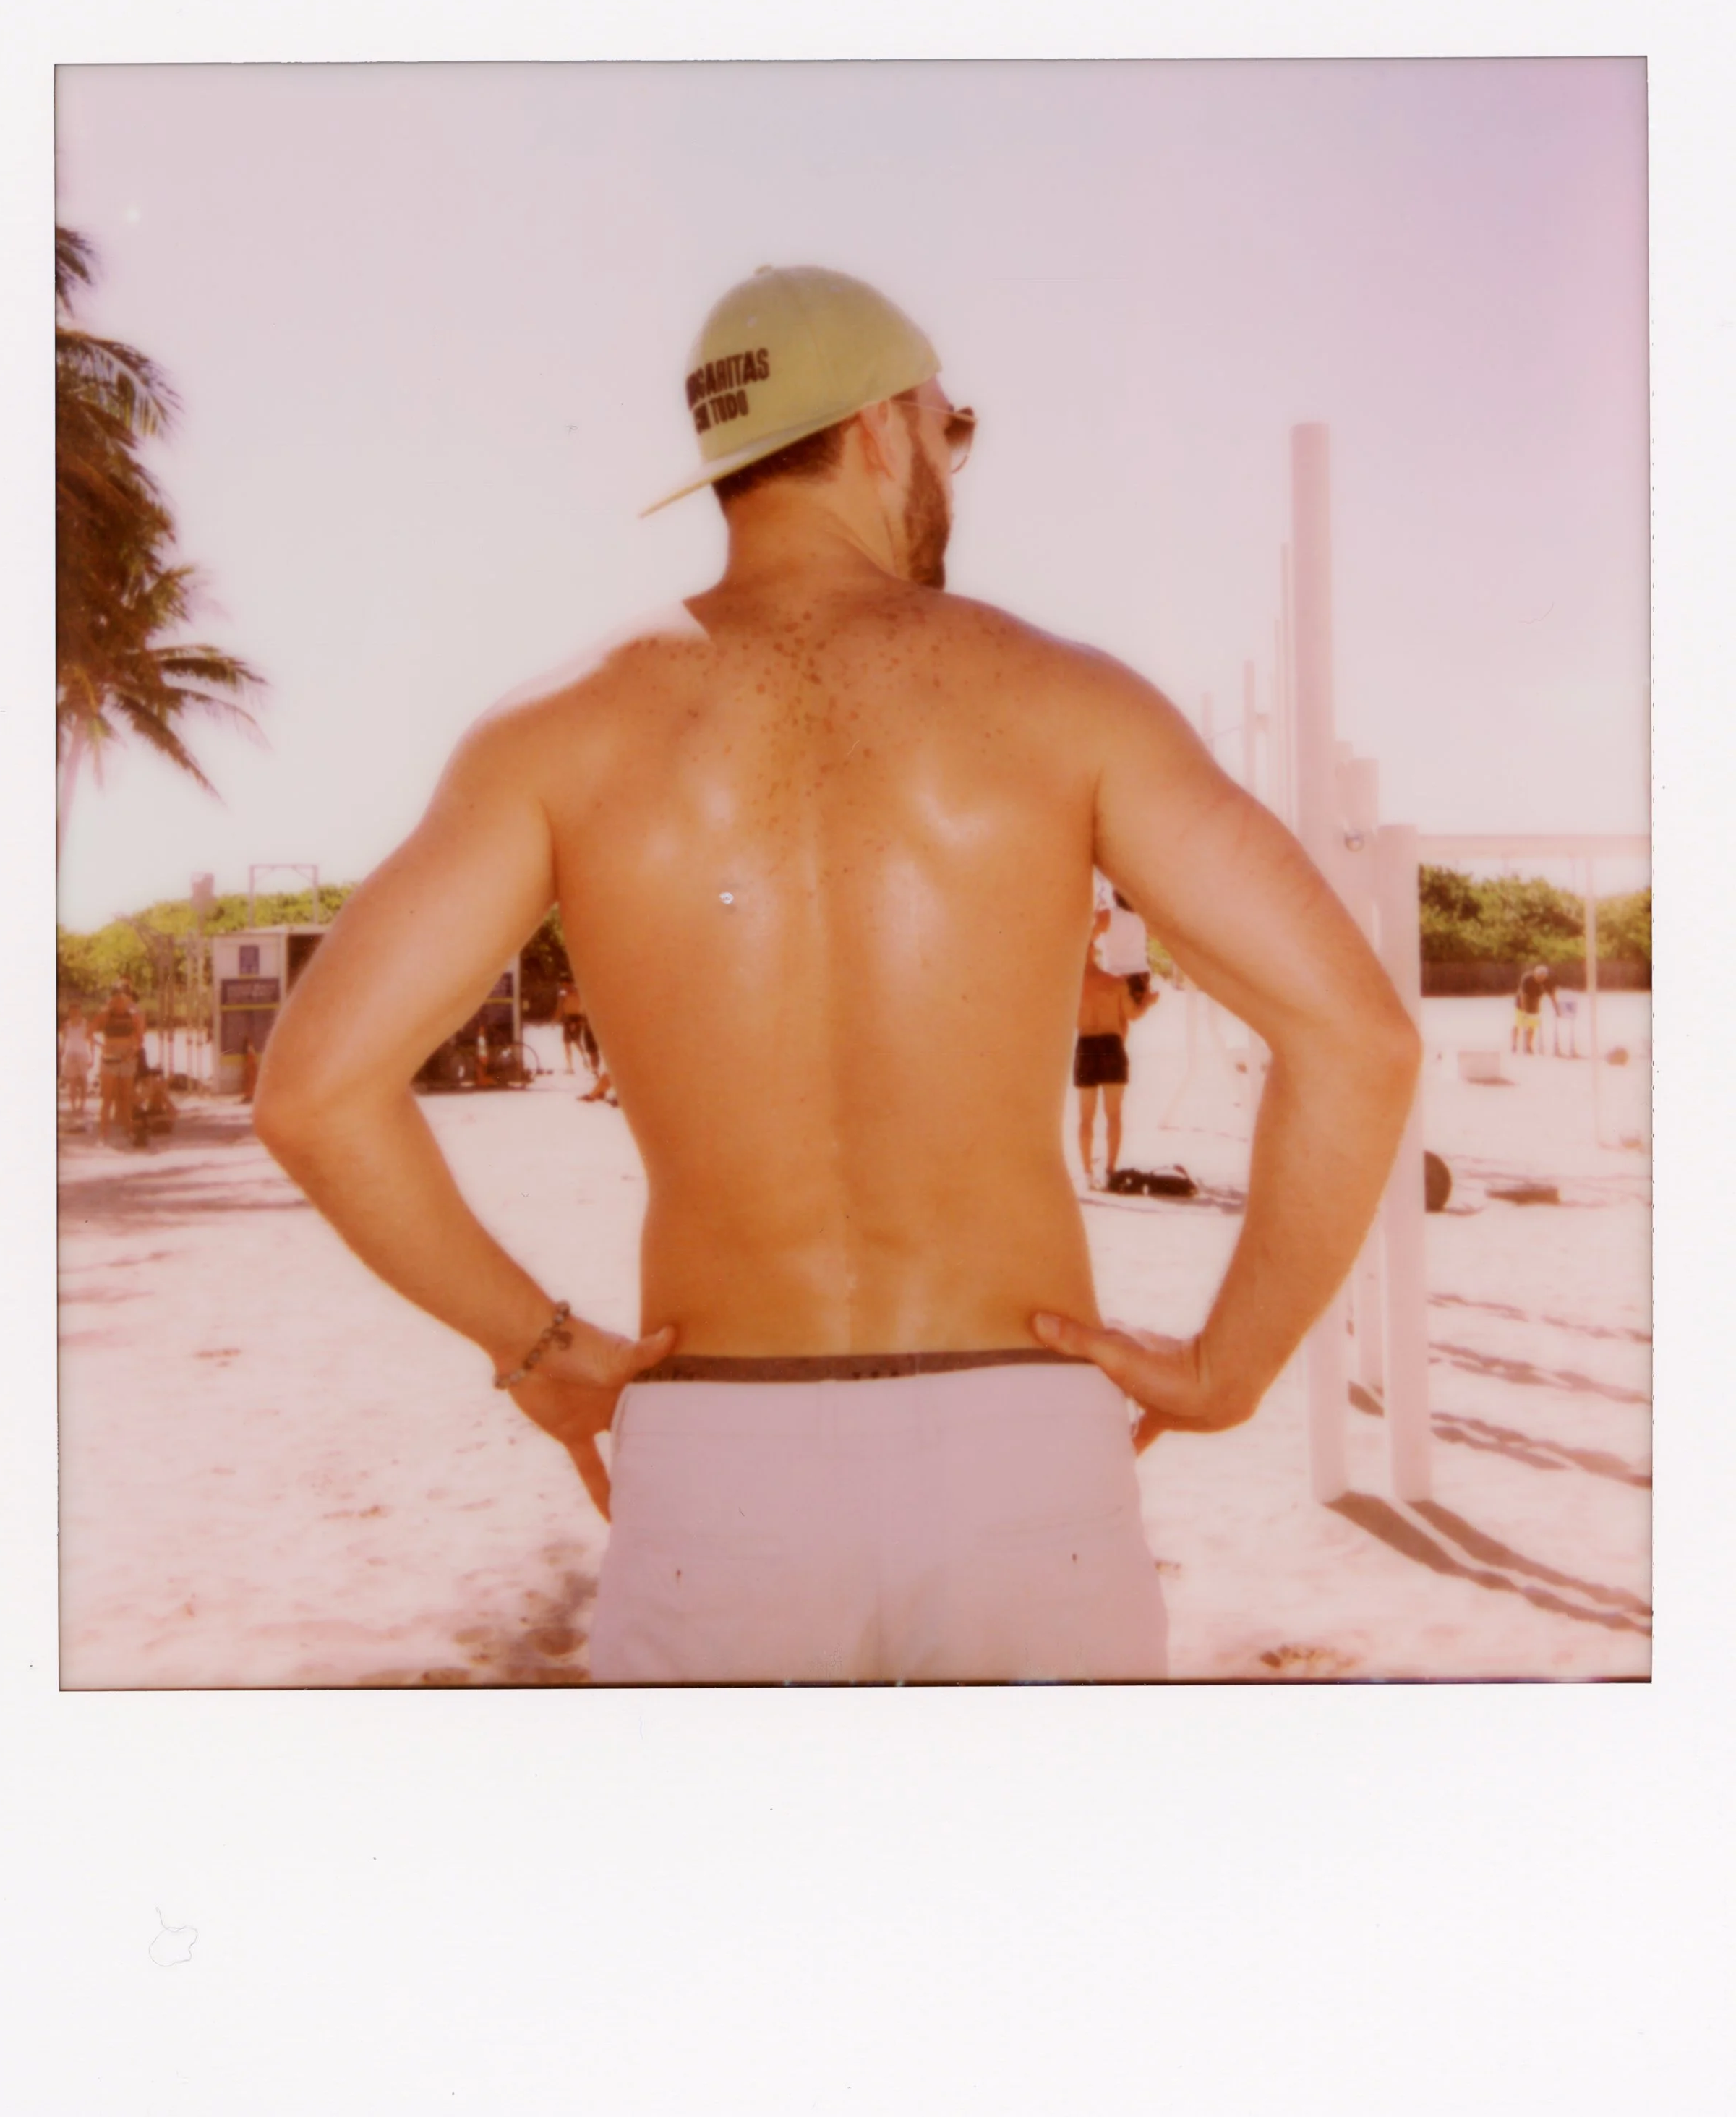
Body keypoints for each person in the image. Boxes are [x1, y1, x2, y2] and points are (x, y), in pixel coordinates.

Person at [255, 265, 1419, 1684]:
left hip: (717, 1467)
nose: (953, 467)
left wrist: (536, 1347)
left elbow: (313, 1096)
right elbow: (1359, 1040)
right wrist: (1233, 1366)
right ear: (882, 429)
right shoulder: (1071, 703)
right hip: (1023, 1451)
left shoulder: (556, 735)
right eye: (951, 430)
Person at [1074, 912, 1157, 1189]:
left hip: (1086, 1045)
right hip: (1111, 1045)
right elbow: (1133, 1015)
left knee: (1085, 1117)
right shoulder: (1115, 983)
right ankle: (1109, 1170)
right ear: (1094, 952)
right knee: (1114, 1115)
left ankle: (1087, 1173)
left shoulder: (1072, 987)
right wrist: (1148, 1002)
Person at [89, 979, 146, 1143]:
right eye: (117, 997)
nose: (120, 1001)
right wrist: (102, 1047)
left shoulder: (134, 1015)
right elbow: (89, 1033)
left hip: (127, 1058)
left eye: (123, 997)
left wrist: (132, 1052)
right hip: (110, 1058)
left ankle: (128, 1131)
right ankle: (103, 1135)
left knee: (126, 1097)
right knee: (107, 1098)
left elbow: (140, 1039)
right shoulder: (105, 1014)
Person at [1511, 963, 1557, 1056]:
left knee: (1532, 1025)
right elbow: (1523, 995)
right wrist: (1524, 1011)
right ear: (1535, 974)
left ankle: (1529, 1046)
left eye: (1543, 977)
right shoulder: (1527, 978)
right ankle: (1514, 1044)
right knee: (1518, 1024)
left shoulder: (1547, 981)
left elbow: (1552, 995)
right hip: (1522, 1003)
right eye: (1539, 976)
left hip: (1535, 1003)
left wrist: (1556, 1008)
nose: (1541, 979)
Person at [59, 1004, 93, 1123]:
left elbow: (91, 1041)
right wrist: (61, 1056)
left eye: (76, 1011)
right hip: (70, 1055)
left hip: (83, 1054)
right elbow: (63, 1041)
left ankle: (82, 1106)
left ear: (80, 1012)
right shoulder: (66, 1025)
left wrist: (92, 1057)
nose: (74, 1014)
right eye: (72, 1012)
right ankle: (73, 1107)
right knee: (72, 1082)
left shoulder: (86, 1024)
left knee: (83, 1081)